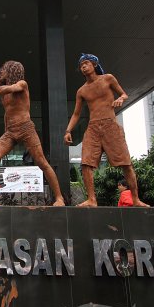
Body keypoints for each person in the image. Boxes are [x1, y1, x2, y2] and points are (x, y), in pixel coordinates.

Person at [0, 60, 65, 206]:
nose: (1, 72)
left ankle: (59, 198)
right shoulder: (4, 93)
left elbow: (9, 88)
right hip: (10, 132)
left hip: (26, 128)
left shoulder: (22, 84)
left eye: (4, 69)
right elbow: (7, 112)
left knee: (41, 162)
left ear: (12, 71)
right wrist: (5, 129)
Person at [64, 53, 148, 207]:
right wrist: (68, 131)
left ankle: (136, 199)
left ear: (94, 65)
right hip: (93, 127)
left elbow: (124, 94)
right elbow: (76, 114)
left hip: (111, 125)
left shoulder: (108, 78)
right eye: (81, 65)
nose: (83, 67)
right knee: (86, 164)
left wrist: (120, 99)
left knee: (126, 163)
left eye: (86, 63)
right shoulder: (81, 91)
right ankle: (91, 199)